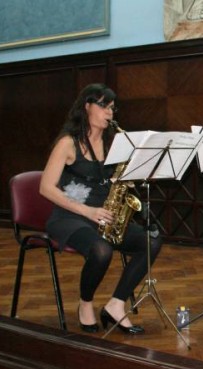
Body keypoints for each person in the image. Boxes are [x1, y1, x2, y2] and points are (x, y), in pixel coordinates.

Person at [40, 83, 163, 335]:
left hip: (104, 215)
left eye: (112, 108)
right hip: (70, 216)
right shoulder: (68, 143)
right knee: (101, 249)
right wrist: (86, 211)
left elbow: (117, 180)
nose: (110, 113)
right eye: (104, 106)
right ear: (86, 107)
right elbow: (46, 188)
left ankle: (116, 304)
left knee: (152, 241)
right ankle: (85, 304)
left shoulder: (113, 143)